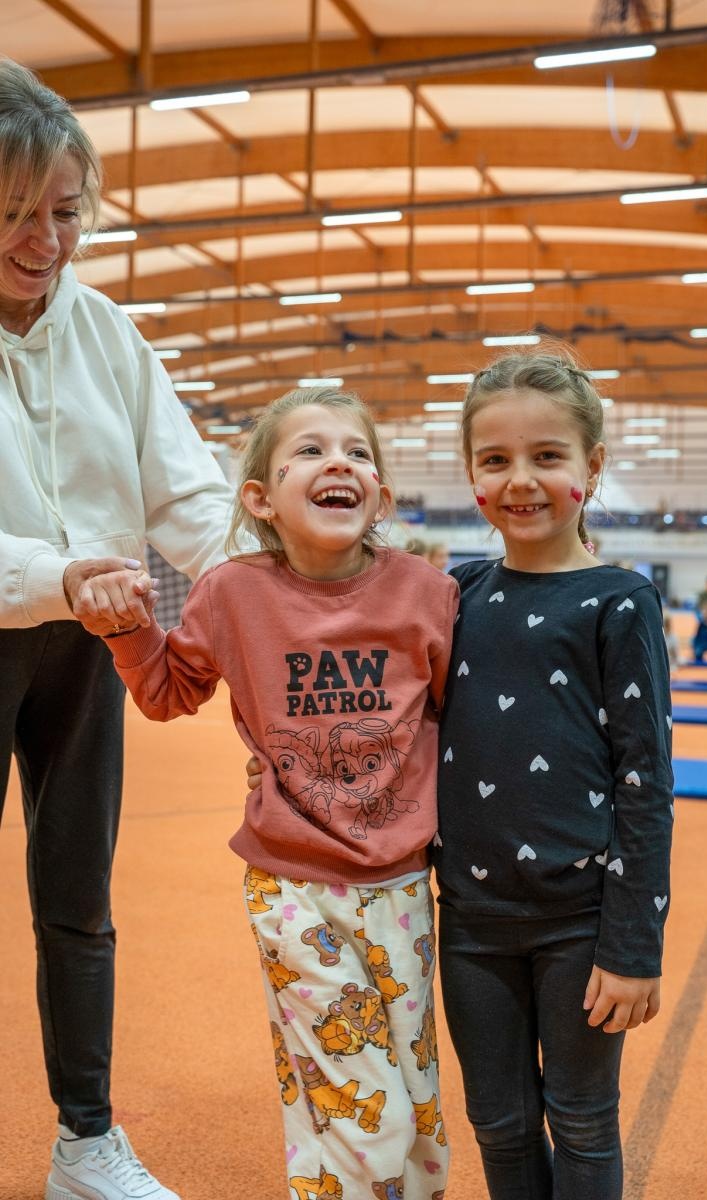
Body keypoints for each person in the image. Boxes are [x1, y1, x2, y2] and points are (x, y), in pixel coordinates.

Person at [77, 387, 458, 1200]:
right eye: (311, 452)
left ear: (382, 495)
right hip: (294, 890)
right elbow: (168, 691)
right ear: (260, 499)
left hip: (401, 887)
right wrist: (126, 627)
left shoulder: (428, 594)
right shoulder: (232, 594)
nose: (339, 464)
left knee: (417, 1103)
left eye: (358, 453)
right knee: (363, 1107)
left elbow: (462, 718)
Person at [0, 58, 235, 1200]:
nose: (45, 239)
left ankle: (84, 1142)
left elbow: (186, 492)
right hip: (34, 605)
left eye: (63, 211)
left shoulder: (105, 333)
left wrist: (265, 575)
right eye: (12, 215)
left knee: (76, 898)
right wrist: (55, 569)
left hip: (85, 650)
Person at [431, 350, 674, 1200]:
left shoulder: (618, 601)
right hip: (470, 921)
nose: (520, 480)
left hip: (580, 921)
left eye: (547, 457)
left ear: (592, 467)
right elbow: (397, 722)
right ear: (470, 473)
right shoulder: (455, 593)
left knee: (580, 1117)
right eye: (494, 460)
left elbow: (645, 782)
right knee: (498, 1124)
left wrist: (634, 942)